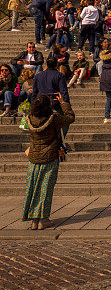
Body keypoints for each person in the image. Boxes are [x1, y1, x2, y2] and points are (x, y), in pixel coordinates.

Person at [21, 92, 75, 230]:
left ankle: (34, 220)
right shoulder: (54, 119)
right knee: (45, 189)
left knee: (33, 188)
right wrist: (63, 103)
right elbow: (70, 117)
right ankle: (43, 219)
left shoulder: (29, 118)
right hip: (50, 157)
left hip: (34, 158)